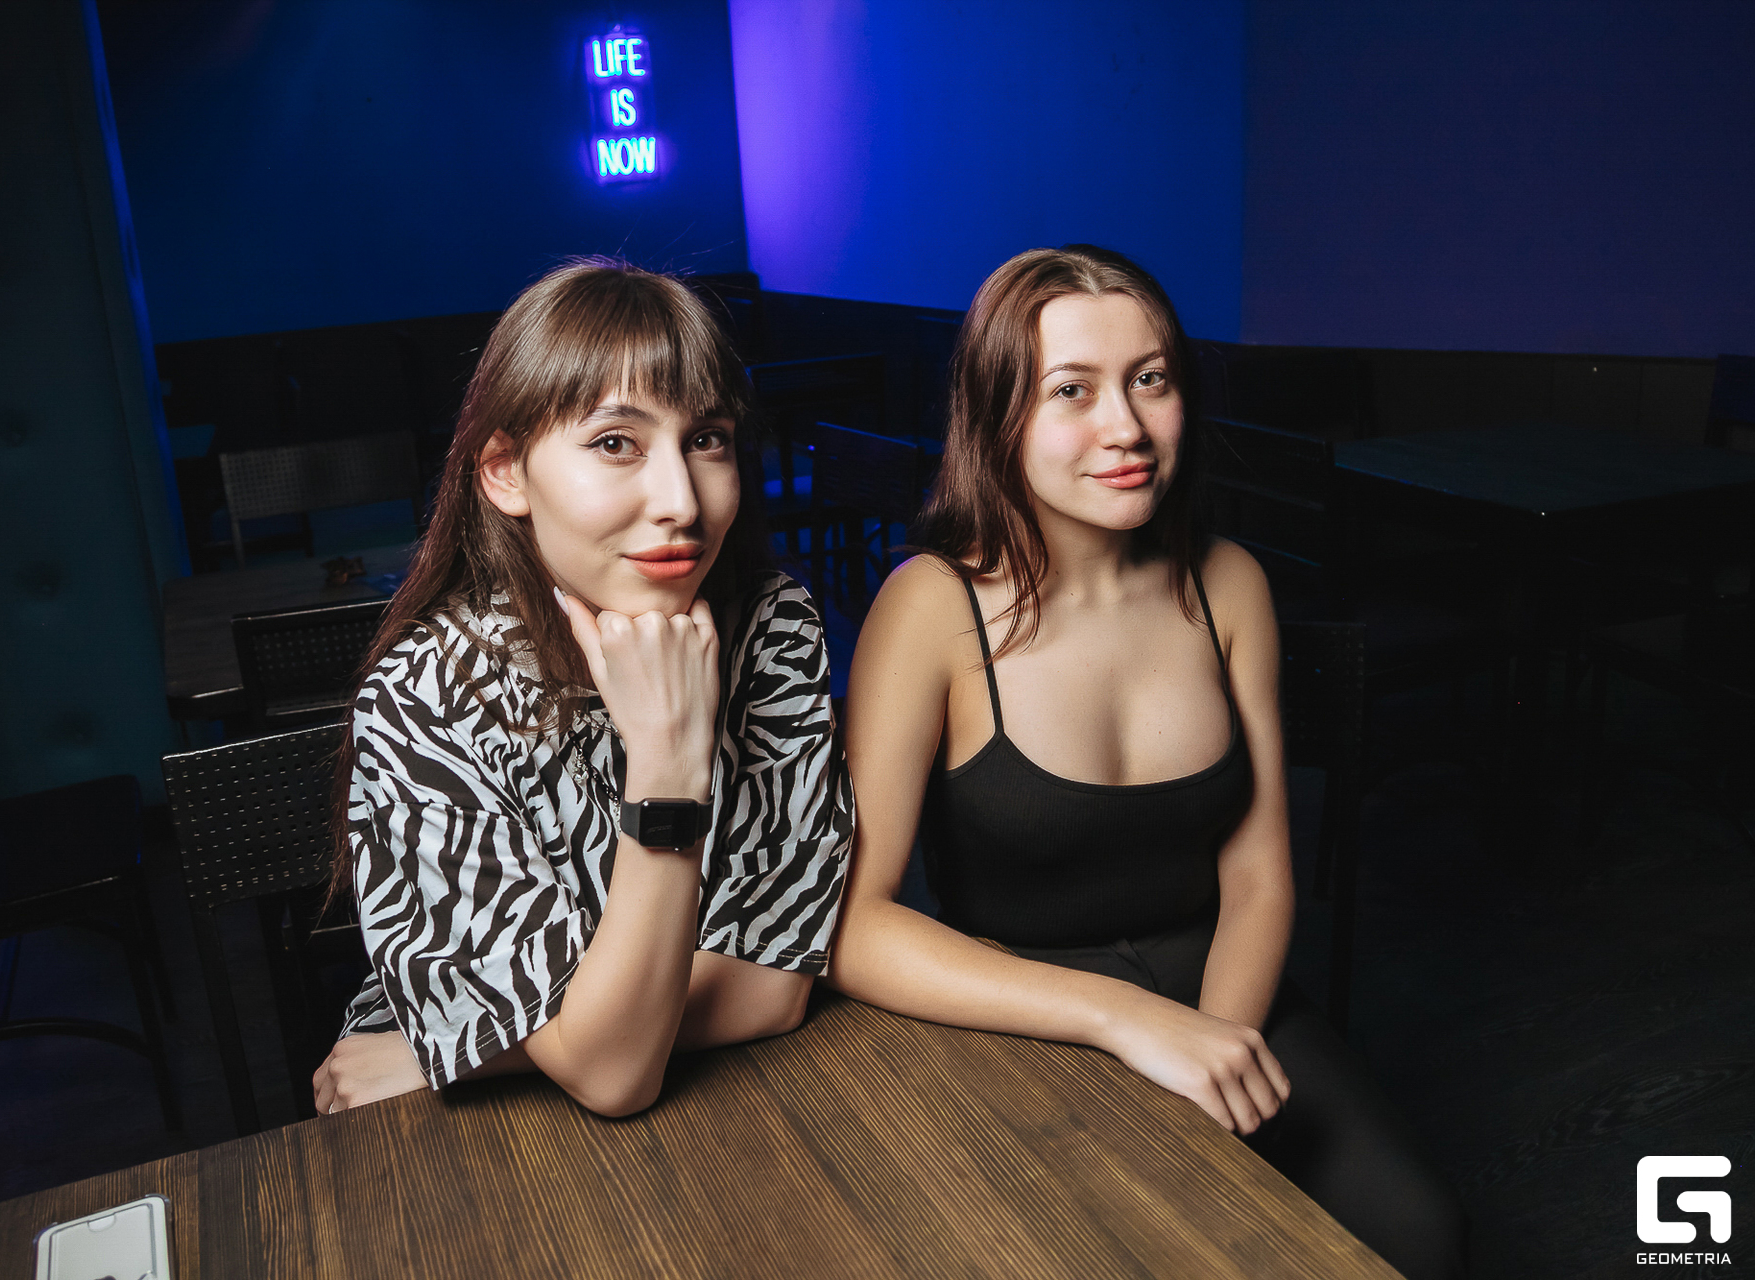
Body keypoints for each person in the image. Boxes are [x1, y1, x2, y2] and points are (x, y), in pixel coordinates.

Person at [829, 246, 1465, 1278]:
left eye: (1150, 379)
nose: (1125, 426)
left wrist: (1211, 1046)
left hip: (1225, 986)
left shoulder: (1230, 582)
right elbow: (856, 925)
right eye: (1071, 390)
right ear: (997, 416)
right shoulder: (930, 605)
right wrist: (1129, 1021)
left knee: (1421, 1234)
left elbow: (1259, 878)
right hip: (1019, 1010)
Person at [312, 259, 852, 1119]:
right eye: (615, 443)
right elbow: (615, 1078)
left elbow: (777, 984)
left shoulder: (773, 624)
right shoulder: (430, 693)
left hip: (717, 1105)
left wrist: (489, 1054)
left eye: (706, 439)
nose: (681, 502)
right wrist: (669, 768)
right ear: (505, 472)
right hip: (477, 1142)